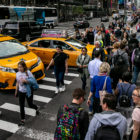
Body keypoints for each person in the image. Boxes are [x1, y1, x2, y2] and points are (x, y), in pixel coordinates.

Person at [15, 61, 39, 126]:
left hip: (28, 91)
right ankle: (22, 120)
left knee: (30, 104)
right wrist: (16, 90)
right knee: (21, 106)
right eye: (18, 67)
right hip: (21, 91)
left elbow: (33, 81)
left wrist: (26, 81)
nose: (19, 68)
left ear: (24, 67)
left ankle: (36, 108)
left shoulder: (28, 73)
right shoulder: (17, 73)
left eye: (20, 67)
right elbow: (17, 82)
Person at [88, 50, 102, 115]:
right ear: (100, 55)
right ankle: (96, 110)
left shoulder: (90, 62)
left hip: (92, 78)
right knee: (98, 95)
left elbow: (89, 70)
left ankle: (90, 109)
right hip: (98, 79)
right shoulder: (101, 63)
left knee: (91, 93)